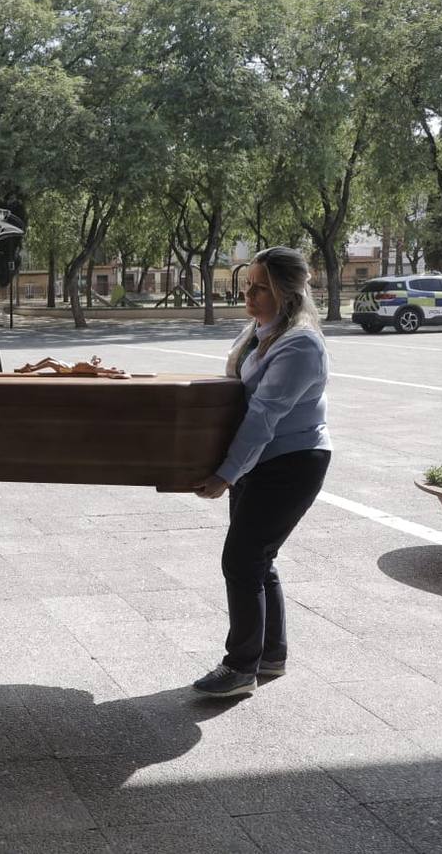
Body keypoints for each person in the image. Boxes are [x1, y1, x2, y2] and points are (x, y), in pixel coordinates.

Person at [191, 247, 332, 698]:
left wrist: (227, 473)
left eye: (260, 287)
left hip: (291, 463)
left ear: (288, 292)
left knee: (242, 559)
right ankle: (271, 655)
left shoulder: (300, 344)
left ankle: (240, 668)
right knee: (258, 559)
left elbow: (264, 416)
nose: (248, 294)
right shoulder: (259, 331)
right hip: (262, 461)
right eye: (247, 285)